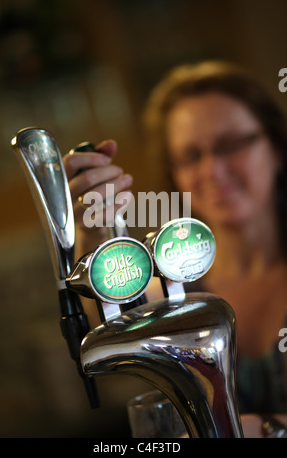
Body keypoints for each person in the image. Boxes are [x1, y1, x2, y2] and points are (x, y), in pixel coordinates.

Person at [63, 60, 287, 438]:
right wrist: (92, 233)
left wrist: (265, 429)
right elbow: (107, 315)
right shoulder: (169, 290)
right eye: (191, 156)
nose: (212, 170)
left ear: (277, 147)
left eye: (229, 145)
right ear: (175, 175)